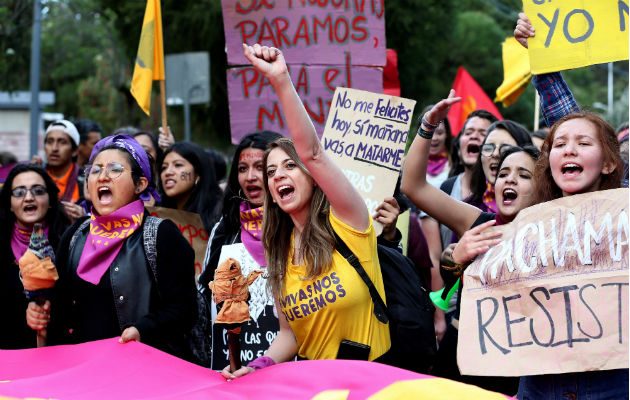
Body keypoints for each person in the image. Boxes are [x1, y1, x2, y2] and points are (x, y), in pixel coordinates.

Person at [222, 43, 390, 379]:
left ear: (313, 179)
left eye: (289, 166)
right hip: (315, 385)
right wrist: (256, 367)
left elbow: (312, 153)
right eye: (272, 172)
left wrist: (281, 80)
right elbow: (289, 335)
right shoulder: (279, 250)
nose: (278, 175)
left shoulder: (349, 221)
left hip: (372, 382)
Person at [401, 92, 540, 394]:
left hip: (515, 367)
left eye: (523, 175)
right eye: (504, 173)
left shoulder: (553, 235)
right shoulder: (479, 222)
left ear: (542, 188)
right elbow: (413, 185)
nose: (509, 180)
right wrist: (427, 126)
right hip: (458, 360)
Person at [26, 135, 198, 361]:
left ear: (140, 184)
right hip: (82, 372)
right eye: (95, 170)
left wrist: (143, 329)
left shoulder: (162, 235)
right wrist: (40, 312)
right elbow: (60, 304)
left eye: (115, 169)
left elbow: (184, 309)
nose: (103, 176)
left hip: (144, 371)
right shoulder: (76, 234)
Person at [198, 131, 282, 370]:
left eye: (260, 167)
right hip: (234, 364)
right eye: (243, 168)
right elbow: (205, 291)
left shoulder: (298, 226)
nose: (251, 177)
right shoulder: (226, 228)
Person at [0, 164, 70, 349]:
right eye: (19, 192)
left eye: (38, 191)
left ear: (50, 199)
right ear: (9, 203)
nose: (29, 197)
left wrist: (49, 311)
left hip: (59, 352)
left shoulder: (70, 241)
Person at [159, 142, 223, 232]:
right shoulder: (156, 214)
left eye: (178, 165)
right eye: (164, 168)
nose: (168, 172)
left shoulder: (220, 214)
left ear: (197, 174)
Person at [43, 120, 82, 204]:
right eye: (50, 142)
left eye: (62, 142)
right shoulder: (37, 178)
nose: (54, 148)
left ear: (75, 150)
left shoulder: (85, 181)